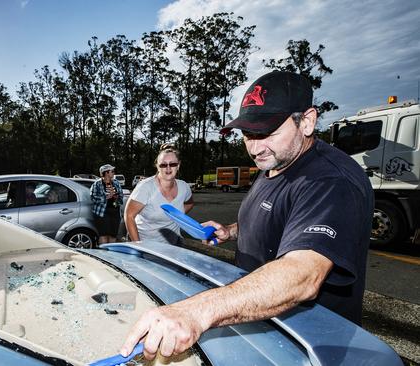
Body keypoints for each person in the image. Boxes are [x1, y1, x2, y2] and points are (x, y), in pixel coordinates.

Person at [120, 71, 373, 361]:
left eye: (267, 133)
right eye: (248, 135)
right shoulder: (275, 163)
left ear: (307, 121)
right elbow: (279, 218)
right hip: (258, 325)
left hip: (308, 346)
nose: (255, 147)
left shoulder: (331, 181)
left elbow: (303, 275)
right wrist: (231, 231)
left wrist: (196, 311)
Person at [124, 144, 194, 245]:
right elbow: (129, 215)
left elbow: (189, 203)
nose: (168, 168)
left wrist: (175, 216)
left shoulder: (184, 187)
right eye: (163, 164)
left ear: (178, 165)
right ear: (157, 166)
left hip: (173, 243)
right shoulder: (145, 187)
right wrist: (138, 246)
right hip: (146, 243)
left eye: (172, 164)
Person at [90, 164, 124, 246]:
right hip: (102, 213)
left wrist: (116, 196)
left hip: (115, 212)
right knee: (103, 235)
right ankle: (102, 255)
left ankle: (110, 256)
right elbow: (93, 197)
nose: (113, 173)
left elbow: (121, 196)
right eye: (112, 171)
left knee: (113, 235)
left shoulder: (116, 182)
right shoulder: (97, 184)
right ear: (106, 173)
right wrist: (106, 197)